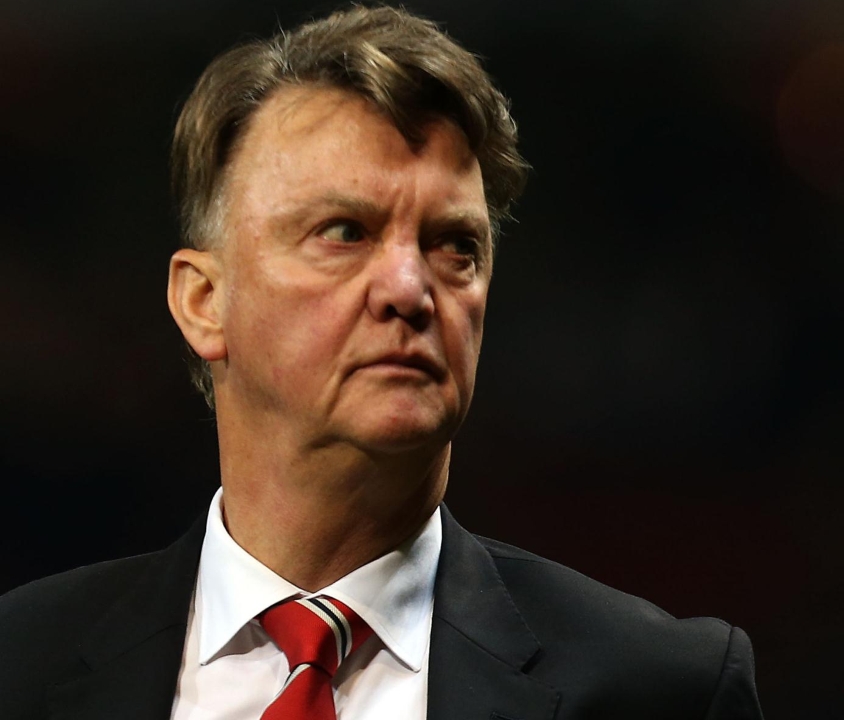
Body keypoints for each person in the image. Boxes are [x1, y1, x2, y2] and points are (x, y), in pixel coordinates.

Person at [0, 6, 764, 720]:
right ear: (204, 301)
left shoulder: (661, 688)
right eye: (344, 232)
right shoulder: (20, 663)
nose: (409, 288)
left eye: (454, 245)